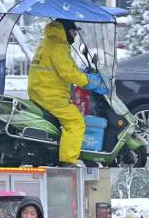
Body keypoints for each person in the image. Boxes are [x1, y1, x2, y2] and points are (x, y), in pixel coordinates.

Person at [27, 19, 109, 167]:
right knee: (75, 122)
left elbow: (67, 67)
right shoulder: (58, 46)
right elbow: (68, 72)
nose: (75, 35)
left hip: (40, 91)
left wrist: (83, 72)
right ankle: (67, 161)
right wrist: (89, 81)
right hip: (51, 96)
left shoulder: (49, 42)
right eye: (73, 32)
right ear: (65, 31)